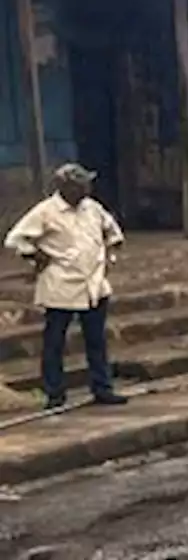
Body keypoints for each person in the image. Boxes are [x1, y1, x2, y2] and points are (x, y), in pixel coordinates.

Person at [4, 163, 128, 409]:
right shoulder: (46, 211)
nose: (85, 189)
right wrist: (36, 255)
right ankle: (55, 393)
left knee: (96, 340)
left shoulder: (92, 208)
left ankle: (102, 388)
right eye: (80, 185)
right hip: (60, 283)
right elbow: (15, 239)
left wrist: (108, 259)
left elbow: (113, 234)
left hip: (93, 283)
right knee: (55, 342)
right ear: (65, 187)